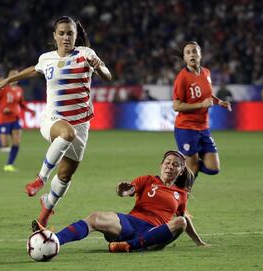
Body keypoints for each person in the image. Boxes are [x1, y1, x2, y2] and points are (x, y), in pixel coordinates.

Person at [0, 16, 112, 226]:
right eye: (62, 33)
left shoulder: (86, 54)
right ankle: (40, 178)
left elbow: (107, 75)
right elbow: (34, 69)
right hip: (53, 119)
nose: (66, 37)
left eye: (70, 33)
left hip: (82, 124)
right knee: (67, 133)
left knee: (66, 175)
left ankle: (46, 209)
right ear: (54, 36)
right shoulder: (46, 58)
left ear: (76, 35)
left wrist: (100, 67)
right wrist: (10, 79)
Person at [32, 150, 208, 253]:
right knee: (95, 217)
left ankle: (128, 246)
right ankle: (54, 240)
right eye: (167, 162)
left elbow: (184, 216)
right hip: (130, 223)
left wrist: (198, 241)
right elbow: (129, 190)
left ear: (181, 170)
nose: (170, 166)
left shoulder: (180, 194)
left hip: (154, 231)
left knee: (180, 222)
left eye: (175, 164)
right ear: (161, 165)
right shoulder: (147, 180)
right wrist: (122, 191)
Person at [172, 41, 231, 182]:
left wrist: (219, 102)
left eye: (194, 51)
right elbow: (176, 106)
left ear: (200, 55)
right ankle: (180, 193)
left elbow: (207, 95)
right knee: (192, 168)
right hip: (186, 128)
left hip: (203, 128)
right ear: (184, 58)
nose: (191, 54)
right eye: (188, 53)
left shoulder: (206, 73)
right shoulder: (182, 77)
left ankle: (183, 166)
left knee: (213, 168)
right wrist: (201, 104)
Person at [0, 70, 36, 172]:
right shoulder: (4, 89)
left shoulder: (19, 90)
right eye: (12, 76)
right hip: (4, 119)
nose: (14, 78)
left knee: (16, 142)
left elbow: (21, 103)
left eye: (16, 76)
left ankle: (9, 165)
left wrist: (30, 111)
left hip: (15, 119)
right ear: (9, 77)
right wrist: (2, 109)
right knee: (5, 144)